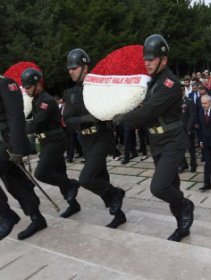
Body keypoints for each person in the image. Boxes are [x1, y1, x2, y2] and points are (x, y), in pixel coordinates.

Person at [113, 34, 194, 242]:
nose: (146, 63)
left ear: (164, 60)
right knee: (171, 186)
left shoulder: (170, 84)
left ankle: (186, 206)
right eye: (145, 59)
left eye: (151, 59)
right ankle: (182, 226)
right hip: (157, 142)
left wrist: (119, 117)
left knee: (159, 187)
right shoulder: (152, 82)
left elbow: (148, 111)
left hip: (172, 140)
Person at [63, 48, 126, 228]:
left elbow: (111, 109)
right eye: (69, 68)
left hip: (102, 137)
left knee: (86, 179)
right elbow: (68, 121)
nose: (70, 71)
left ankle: (116, 194)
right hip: (85, 141)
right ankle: (118, 214)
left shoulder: (100, 86)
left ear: (85, 67)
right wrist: (87, 118)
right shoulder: (70, 93)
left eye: (74, 68)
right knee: (101, 178)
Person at [22, 68, 80, 218]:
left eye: (28, 87)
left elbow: (36, 125)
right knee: (59, 173)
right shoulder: (36, 100)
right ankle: (73, 204)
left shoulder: (46, 101)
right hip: (47, 140)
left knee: (41, 173)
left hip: (54, 141)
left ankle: (71, 184)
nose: (26, 90)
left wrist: (17, 125)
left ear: (37, 85)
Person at [0, 75, 47, 241]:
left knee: (15, 181)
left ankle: (6, 216)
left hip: (8, 144)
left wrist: (17, 148)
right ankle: (37, 218)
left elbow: (16, 116)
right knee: (14, 183)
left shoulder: (5, 83)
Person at [179, 94, 197, 173]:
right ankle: (183, 164)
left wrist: (188, 128)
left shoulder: (189, 101)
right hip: (179, 129)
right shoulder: (175, 101)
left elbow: (192, 116)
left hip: (187, 128)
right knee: (180, 148)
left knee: (191, 148)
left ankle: (193, 164)